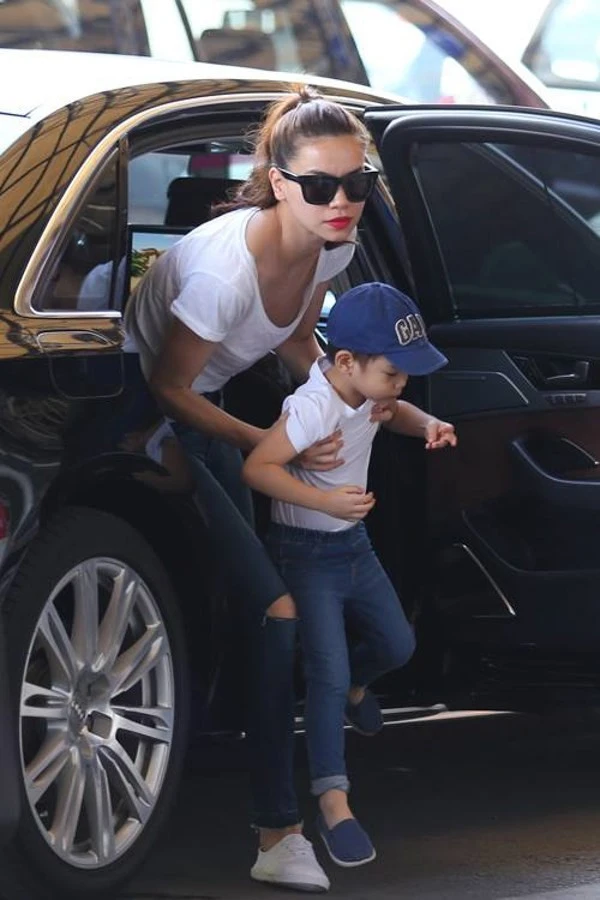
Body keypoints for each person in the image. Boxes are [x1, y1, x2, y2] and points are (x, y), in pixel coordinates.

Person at [124, 85, 382, 893]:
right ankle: (277, 831)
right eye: (320, 186)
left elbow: (298, 340)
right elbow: (166, 387)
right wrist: (267, 441)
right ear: (278, 182)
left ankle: (318, 697)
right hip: (136, 420)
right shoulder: (223, 272)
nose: (341, 202)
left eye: (358, 183)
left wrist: (350, 401)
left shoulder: (332, 247)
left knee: (268, 608)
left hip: (210, 411)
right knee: (276, 609)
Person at [243, 282, 458, 868]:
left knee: (398, 642)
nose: (401, 383)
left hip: (353, 547)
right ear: (345, 362)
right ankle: (333, 803)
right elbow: (258, 468)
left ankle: (360, 689)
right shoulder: (313, 406)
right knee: (327, 675)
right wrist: (325, 502)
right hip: (305, 553)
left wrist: (426, 422)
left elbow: (390, 411)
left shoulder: (368, 390)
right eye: (393, 372)